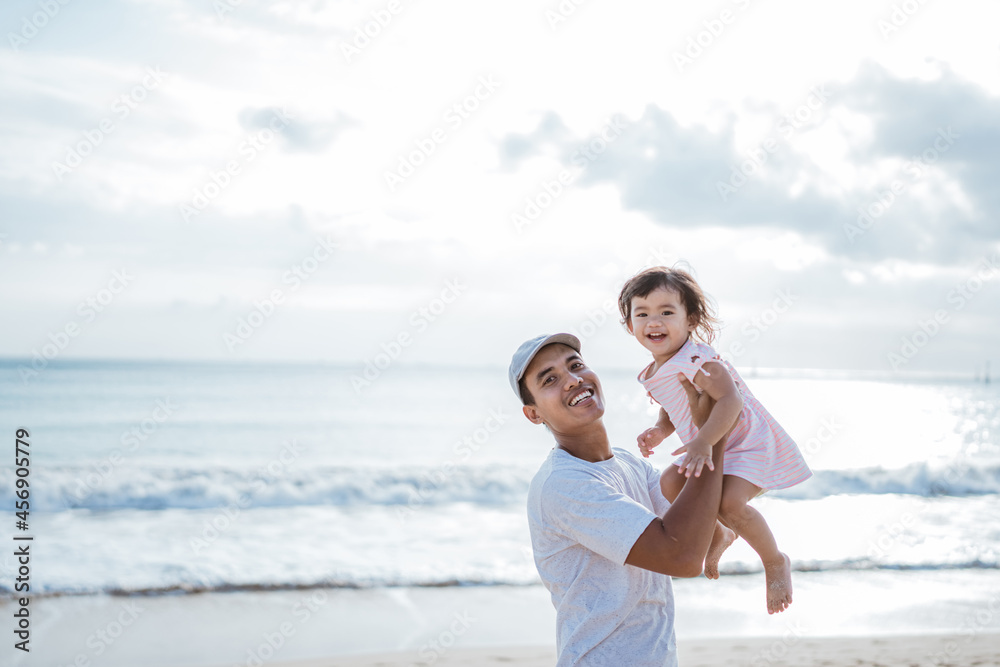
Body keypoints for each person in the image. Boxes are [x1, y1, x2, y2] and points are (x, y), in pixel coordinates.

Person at [511, 333, 728, 666]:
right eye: (550, 379)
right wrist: (713, 436)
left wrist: (705, 419)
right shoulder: (564, 484)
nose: (572, 380)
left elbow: (701, 526)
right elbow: (683, 557)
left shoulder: (630, 464)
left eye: (576, 365)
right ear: (534, 414)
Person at [618, 266, 812, 614]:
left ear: (690, 320)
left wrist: (705, 440)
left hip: (744, 441)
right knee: (670, 483)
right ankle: (720, 534)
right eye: (642, 313)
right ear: (630, 325)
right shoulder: (654, 371)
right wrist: (661, 430)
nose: (653, 321)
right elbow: (674, 406)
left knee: (730, 503)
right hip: (706, 441)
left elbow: (730, 401)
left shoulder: (697, 358)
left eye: (666, 312)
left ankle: (773, 560)